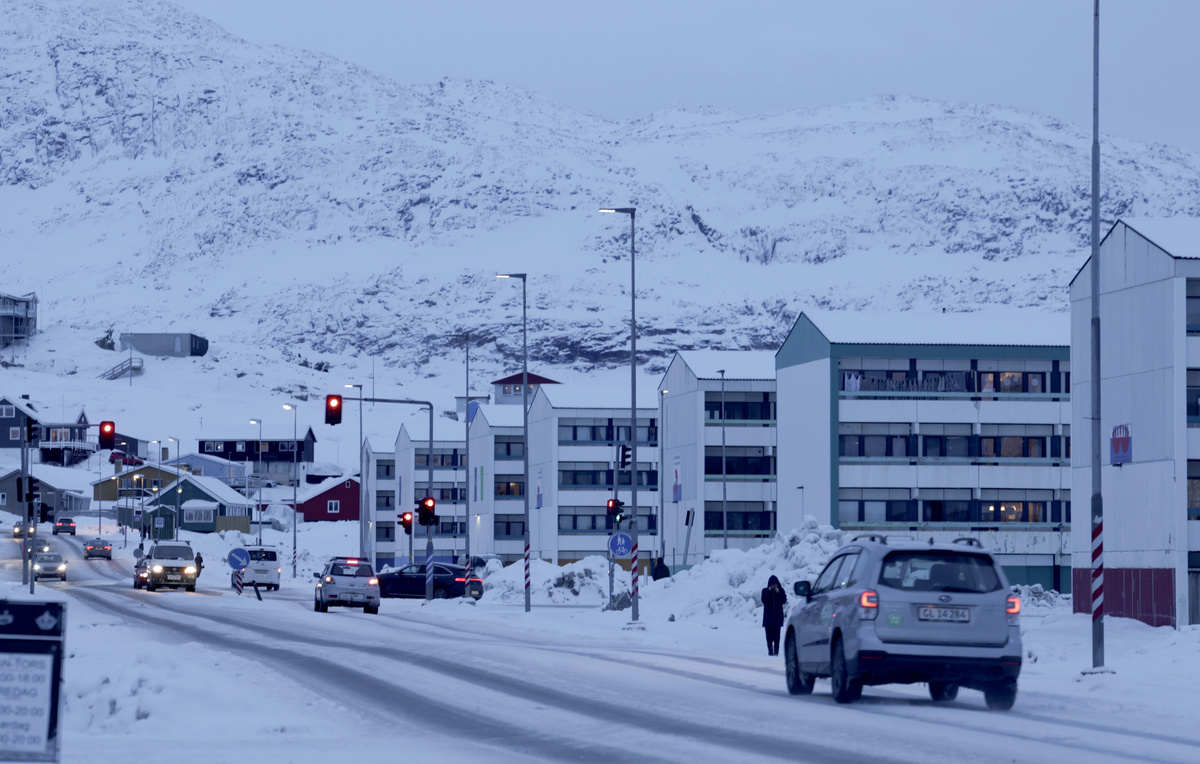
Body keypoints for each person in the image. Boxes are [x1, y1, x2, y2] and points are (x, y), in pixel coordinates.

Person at [761, 574, 788, 656]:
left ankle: (776, 653)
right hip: (768, 619)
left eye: (775, 585)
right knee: (769, 639)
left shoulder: (781, 591)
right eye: (772, 585)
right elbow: (764, 600)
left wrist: (778, 592)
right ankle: (770, 652)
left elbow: (783, 600)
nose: (773, 586)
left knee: (777, 638)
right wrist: (769, 591)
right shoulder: (765, 591)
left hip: (777, 619)